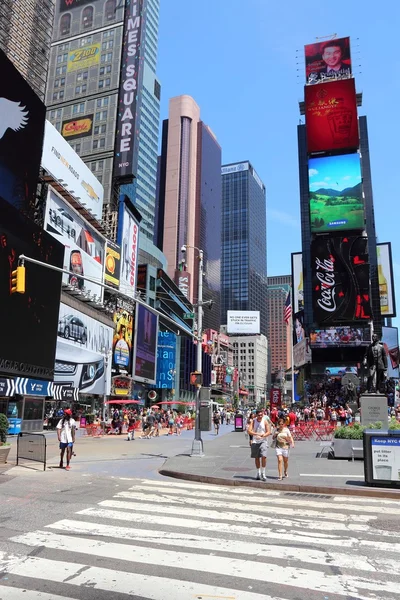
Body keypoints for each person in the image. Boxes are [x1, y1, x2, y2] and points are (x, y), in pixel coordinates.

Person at [248, 409, 271, 481]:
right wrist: (256, 434)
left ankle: (263, 473)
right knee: (257, 457)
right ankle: (258, 472)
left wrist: (263, 435)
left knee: (264, 456)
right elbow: (249, 431)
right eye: (259, 415)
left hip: (263, 440)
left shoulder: (265, 421)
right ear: (256, 415)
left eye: (261, 415)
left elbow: (269, 431)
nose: (260, 416)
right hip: (255, 441)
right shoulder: (253, 421)